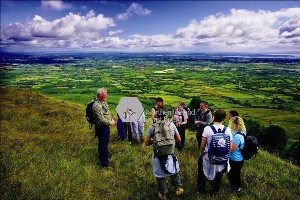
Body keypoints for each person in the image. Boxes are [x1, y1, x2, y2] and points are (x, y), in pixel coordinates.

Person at [145, 107, 184, 200]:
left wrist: (154, 141)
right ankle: (178, 188)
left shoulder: (152, 127)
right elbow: (179, 139)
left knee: (159, 175)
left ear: (156, 116)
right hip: (170, 153)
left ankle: (163, 194)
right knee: (174, 170)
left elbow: (146, 143)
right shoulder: (171, 125)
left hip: (158, 155)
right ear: (166, 115)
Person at [197, 109, 233, 196]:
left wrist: (201, 154)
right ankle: (215, 192)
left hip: (208, 157)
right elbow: (230, 147)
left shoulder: (207, 129)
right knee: (219, 175)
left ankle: (202, 191)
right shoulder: (227, 130)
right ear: (223, 119)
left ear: (213, 117)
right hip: (222, 158)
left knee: (202, 174)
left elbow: (202, 145)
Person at [93, 88, 115, 168]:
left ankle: (104, 157)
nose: (106, 96)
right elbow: (101, 119)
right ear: (100, 95)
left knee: (104, 143)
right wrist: (110, 122)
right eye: (104, 95)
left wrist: (111, 118)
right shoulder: (97, 105)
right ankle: (105, 164)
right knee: (103, 144)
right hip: (101, 127)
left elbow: (107, 112)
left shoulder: (103, 102)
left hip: (105, 127)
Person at [228, 116, 246, 196]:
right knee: (230, 173)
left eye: (231, 122)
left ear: (234, 124)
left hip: (236, 160)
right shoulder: (234, 132)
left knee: (235, 174)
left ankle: (238, 188)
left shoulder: (238, 136)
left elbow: (231, 149)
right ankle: (232, 185)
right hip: (232, 158)